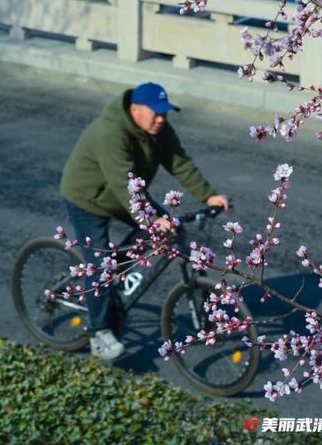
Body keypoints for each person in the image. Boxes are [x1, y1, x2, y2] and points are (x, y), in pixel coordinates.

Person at [60, 82, 229, 361]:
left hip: (124, 196)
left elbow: (180, 163)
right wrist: (152, 219)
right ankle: (99, 333)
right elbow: (123, 185)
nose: (161, 119)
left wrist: (208, 196)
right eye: (156, 113)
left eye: (165, 113)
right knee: (100, 266)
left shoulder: (159, 131)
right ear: (134, 109)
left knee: (169, 233)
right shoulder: (109, 133)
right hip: (87, 198)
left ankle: (118, 276)